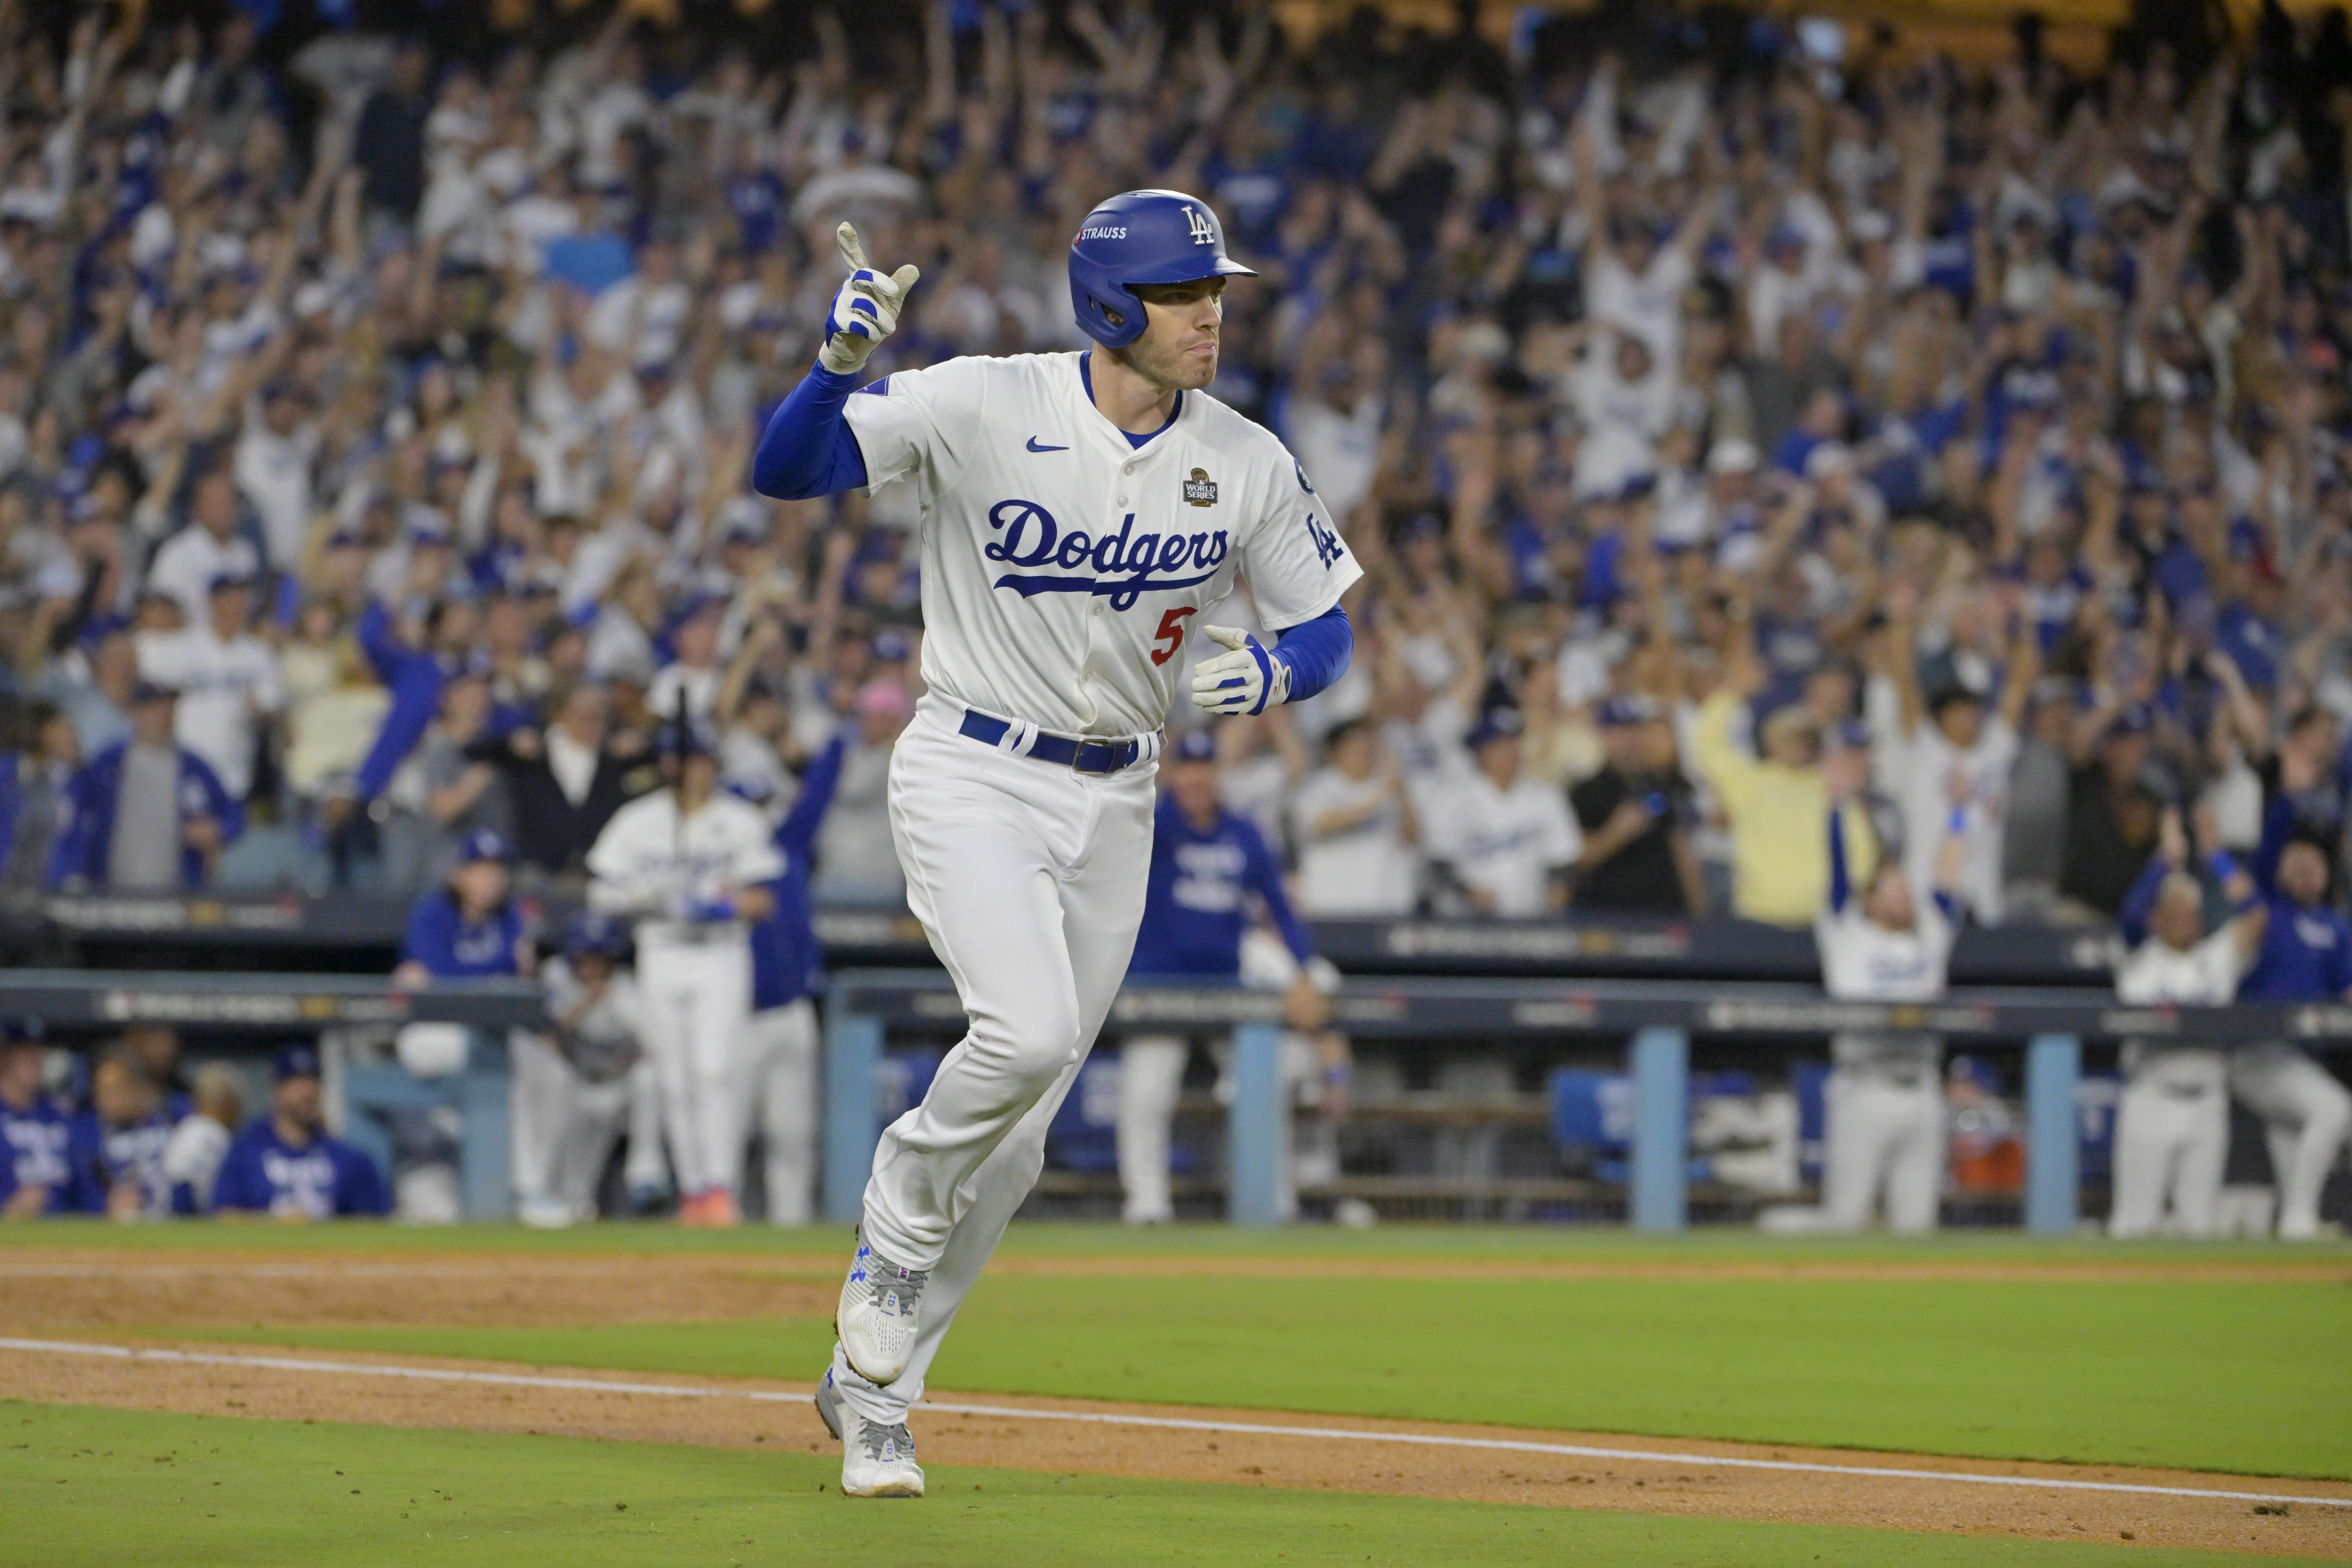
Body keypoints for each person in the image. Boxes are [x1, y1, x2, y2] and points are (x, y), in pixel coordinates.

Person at [751, 197, 1358, 1498]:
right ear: (1108, 306)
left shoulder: (1243, 457)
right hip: (973, 764)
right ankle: (891, 1234)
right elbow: (787, 470)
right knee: (1022, 1036)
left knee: (1022, 1141)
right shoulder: (982, 400)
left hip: (1118, 800)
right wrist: (835, 368)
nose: (1209, 314)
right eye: (1183, 293)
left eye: (1216, 292)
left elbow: (1325, 626)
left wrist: (1273, 670)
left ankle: (874, 1394)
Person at [1117, 730, 1344, 1226]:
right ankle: (1147, 1205)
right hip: (1162, 981)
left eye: (1206, 768)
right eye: (1188, 767)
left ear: (1218, 774)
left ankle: (1272, 1199)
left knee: (1269, 1079)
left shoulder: (1242, 832)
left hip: (1228, 983)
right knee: (1146, 1092)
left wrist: (1302, 968)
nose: (1197, 777)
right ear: (1173, 774)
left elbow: (1280, 909)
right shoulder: (1153, 827)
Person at [586, 717, 781, 1229]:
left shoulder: (738, 819)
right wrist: (649, 897)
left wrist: (723, 904)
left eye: (704, 759)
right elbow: (599, 889)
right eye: (688, 759)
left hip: (719, 953)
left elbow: (763, 897)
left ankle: (721, 1186)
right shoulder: (639, 819)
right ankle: (694, 1191)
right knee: (671, 1077)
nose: (697, 770)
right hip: (660, 950)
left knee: (714, 1069)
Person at [1812, 779, 1966, 1233]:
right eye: (1893, 888)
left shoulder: (1928, 937)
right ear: (1868, 899)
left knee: (1917, 1226)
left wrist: (1959, 812)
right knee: (1845, 1219)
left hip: (1921, 1089)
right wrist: (1836, 808)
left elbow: (1947, 877)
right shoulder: (1848, 935)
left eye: (1905, 888)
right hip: (1864, 1087)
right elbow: (1837, 875)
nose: (1905, 896)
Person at [2109, 807, 2266, 1238]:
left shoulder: (2213, 958)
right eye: (2171, 910)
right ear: (2156, 917)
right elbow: (2129, 913)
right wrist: (2165, 859)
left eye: (2190, 910)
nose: (2182, 917)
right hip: (2150, 1096)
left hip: (2206, 1100)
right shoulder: (2137, 959)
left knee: (2198, 1227)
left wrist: (2215, 854)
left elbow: (2255, 916)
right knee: (2133, 1224)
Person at [2229, 764, 2352, 1240]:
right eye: (2296, 860)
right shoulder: (2266, 909)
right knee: (2335, 1112)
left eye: (2313, 864)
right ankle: (2297, 1217)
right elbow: (2272, 838)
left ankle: (2292, 1232)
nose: (2304, 870)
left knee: (2295, 1133)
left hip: (2299, 1058)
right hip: (2256, 1052)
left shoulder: (2337, 927)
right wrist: (2285, 795)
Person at [737, 727, 848, 1226]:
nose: (757, 812)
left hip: (791, 1011)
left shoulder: (788, 846)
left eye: (763, 801)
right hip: (735, 1016)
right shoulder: (721, 861)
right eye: (748, 802)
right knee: (729, 1132)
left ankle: (791, 1226)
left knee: (793, 1131)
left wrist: (840, 737)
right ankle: (717, 1232)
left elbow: (819, 796)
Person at [521, 911, 651, 1228]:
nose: (593, 966)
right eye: (586, 957)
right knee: (567, 1100)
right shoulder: (557, 976)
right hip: (576, 1079)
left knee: (650, 1080)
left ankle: (648, 1168)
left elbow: (650, 1042)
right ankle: (552, 1194)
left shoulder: (626, 987)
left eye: (600, 958)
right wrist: (586, 1002)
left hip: (618, 1081)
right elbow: (549, 1032)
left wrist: (611, 1000)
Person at [50, 682, 242, 891]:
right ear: (137, 712)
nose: (165, 716)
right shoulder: (110, 762)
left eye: (170, 709)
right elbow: (76, 812)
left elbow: (234, 816)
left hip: (177, 893)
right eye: (156, 709)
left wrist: (217, 830)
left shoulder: (192, 766)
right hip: (113, 891)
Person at [134, 573, 284, 805]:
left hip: (236, 773)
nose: (238, 604)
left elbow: (273, 706)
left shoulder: (258, 654)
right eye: (230, 597)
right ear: (214, 602)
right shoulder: (182, 646)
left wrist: (262, 712)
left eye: (242, 597)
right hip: (186, 769)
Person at [1422, 709, 1582, 916]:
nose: (1511, 752)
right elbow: (1438, 866)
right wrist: (1469, 893)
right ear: (1481, 753)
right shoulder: (1452, 800)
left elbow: (1563, 862)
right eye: (1500, 745)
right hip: (1465, 926)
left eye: (1514, 743)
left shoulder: (1546, 798)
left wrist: (1553, 915)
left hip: (1528, 924)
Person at [213, 1044, 392, 1220]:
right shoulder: (246, 1151)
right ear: (277, 1090)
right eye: (297, 1083)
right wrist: (276, 1221)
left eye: (313, 1082)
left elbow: (375, 1219)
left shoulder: (346, 1157)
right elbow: (223, 1215)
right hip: (267, 1247)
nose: (308, 1092)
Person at [1569, 697, 1707, 914]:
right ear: (1603, 736)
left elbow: (1681, 851)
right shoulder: (1585, 791)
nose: (1628, 740)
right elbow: (1577, 858)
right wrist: (1616, 832)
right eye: (1618, 732)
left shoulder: (1662, 784)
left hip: (1662, 911)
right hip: (1606, 912)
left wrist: (1700, 910)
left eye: (1634, 731)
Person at [1288, 716, 1418, 916]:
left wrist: (1401, 789)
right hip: (1330, 906)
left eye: (1368, 746)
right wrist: (1378, 799)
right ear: (1334, 752)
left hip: (1384, 905)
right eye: (1355, 746)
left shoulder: (1390, 790)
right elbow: (1320, 824)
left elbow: (1413, 837)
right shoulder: (1318, 787)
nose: (1364, 752)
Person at [393, 829, 534, 984]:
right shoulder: (431, 913)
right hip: (444, 1006)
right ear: (458, 875)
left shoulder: (509, 913)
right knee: (412, 978)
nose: (491, 880)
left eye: (497, 871)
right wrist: (494, 976)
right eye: (481, 871)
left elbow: (515, 968)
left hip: (496, 1007)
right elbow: (436, 971)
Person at [66, 1045, 173, 1220]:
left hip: (169, 1219)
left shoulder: (169, 1119)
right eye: (101, 1090)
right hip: (113, 1226)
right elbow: (79, 1195)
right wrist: (105, 1204)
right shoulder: (85, 1135)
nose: (107, 1098)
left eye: (116, 1088)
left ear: (138, 1088)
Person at [0, 1031, 70, 1219]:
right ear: (5, 1057)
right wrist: (10, 1213)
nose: (37, 1059)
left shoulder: (56, 1114)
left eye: (39, 1052)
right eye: (26, 1053)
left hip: (67, 1226)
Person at [160, 1064, 244, 1217]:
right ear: (229, 1101)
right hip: (189, 1221)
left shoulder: (190, 1128)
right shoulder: (204, 1132)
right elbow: (181, 1185)